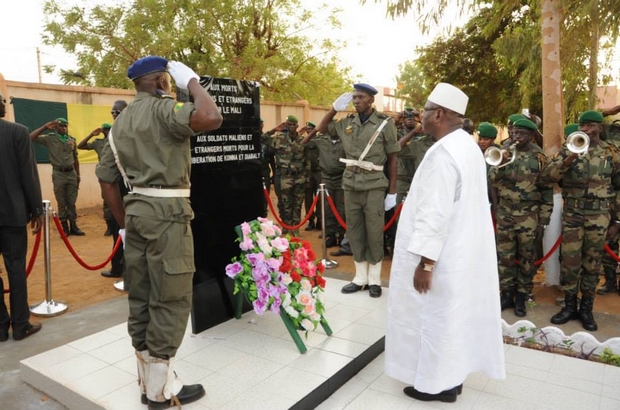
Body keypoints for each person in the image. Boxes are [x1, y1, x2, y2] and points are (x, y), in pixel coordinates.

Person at [96, 56, 222, 408]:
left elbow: (107, 182)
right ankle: (159, 393)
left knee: (142, 296)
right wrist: (193, 83)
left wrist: (123, 226)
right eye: (168, 80)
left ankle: (148, 379)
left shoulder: (119, 125)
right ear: (161, 81)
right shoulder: (165, 110)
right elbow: (211, 117)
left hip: (136, 215)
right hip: (167, 215)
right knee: (171, 297)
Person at [385, 83, 505, 403]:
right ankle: (451, 381)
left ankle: (433, 385)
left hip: (439, 257)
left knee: (431, 318)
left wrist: (426, 264)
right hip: (459, 254)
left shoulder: (443, 154)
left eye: (425, 111)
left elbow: (434, 215)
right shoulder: (466, 146)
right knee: (452, 319)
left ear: (438, 114)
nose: (420, 117)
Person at [305, 83, 400, 298]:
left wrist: (392, 192)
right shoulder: (347, 122)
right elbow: (321, 128)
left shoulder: (385, 124)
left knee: (374, 232)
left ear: (371, 100)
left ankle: (374, 279)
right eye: (354, 97)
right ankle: (360, 277)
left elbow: (393, 157)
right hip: (350, 183)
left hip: (375, 184)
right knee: (355, 230)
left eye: (361, 97)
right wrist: (333, 108)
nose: (356, 101)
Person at [544, 110, 620, 332]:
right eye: (582, 126)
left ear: (600, 128)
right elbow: (549, 176)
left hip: (600, 217)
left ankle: (586, 309)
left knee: (592, 263)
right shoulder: (569, 149)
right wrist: (569, 158)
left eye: (589, 126)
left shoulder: (612, 154)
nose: (585, 130)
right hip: (573, 217)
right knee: (569, 263)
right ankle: (569, 307)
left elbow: (618, 188)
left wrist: (617, 222)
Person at [488, 118, 553, 317]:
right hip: (506, 212)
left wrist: (543, 221)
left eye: (521, 134)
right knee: (505, 256)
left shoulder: (539, 157)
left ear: (531, 135)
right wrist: (502, 162)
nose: (516, 137)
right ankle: (506, 294)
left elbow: (546, 189)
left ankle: (522, 296)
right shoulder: (502, 152)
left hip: (528, 215)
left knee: (526, 257)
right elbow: (491, 179)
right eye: (514, 133)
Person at [0, 92, 43, 341]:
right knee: (15, 268)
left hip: (12, 214)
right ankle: (20, 325)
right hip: (13, 213)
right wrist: (36, 210)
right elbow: (29, 175)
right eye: (3, 101)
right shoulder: (18, 132)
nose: (5, 105)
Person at [30, 118, 85, 236]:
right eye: (61, 126)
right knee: (61, 201)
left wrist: (78, 175)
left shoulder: (71, 140)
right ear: (56, 127)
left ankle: (73, 226)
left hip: (71, 174)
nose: (64, 128)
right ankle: (64, 227)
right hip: (59, 174)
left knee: (71, 201)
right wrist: (45, 127)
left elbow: (75, 159)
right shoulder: (50, 139)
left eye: (65, 126)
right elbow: (30, 138)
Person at [264, 115, 308, 236]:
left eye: (293, 125)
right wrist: (274, 130)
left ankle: (296, 228)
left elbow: (307, 159)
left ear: (297, 126)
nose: (291, 127)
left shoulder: (302, 140)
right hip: (285, 177)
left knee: (298, 203)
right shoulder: (279, 139)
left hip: (299, 176)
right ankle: (287, 227)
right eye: (288, 125)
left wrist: (307, 177)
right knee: (286, 203)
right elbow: (261, 139)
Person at [78, 123, 114, 236]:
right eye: (105, 130)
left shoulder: (117, 141)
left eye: (109, 130)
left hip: (119, 173)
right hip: (106, 174)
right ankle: (110, 226)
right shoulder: (98, 143)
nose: (107, 132)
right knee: (107, 201)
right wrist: (91, 135)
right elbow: (80, 146)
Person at [303, 121, 322, 233]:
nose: (309, 131)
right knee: (308, 199)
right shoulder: (304, 141)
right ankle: (310, 220)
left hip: (318, 172)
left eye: (311, 129)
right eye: (307, 129)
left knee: (319, 198)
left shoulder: (319, 141)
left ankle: (320, 219)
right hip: (307, 173)